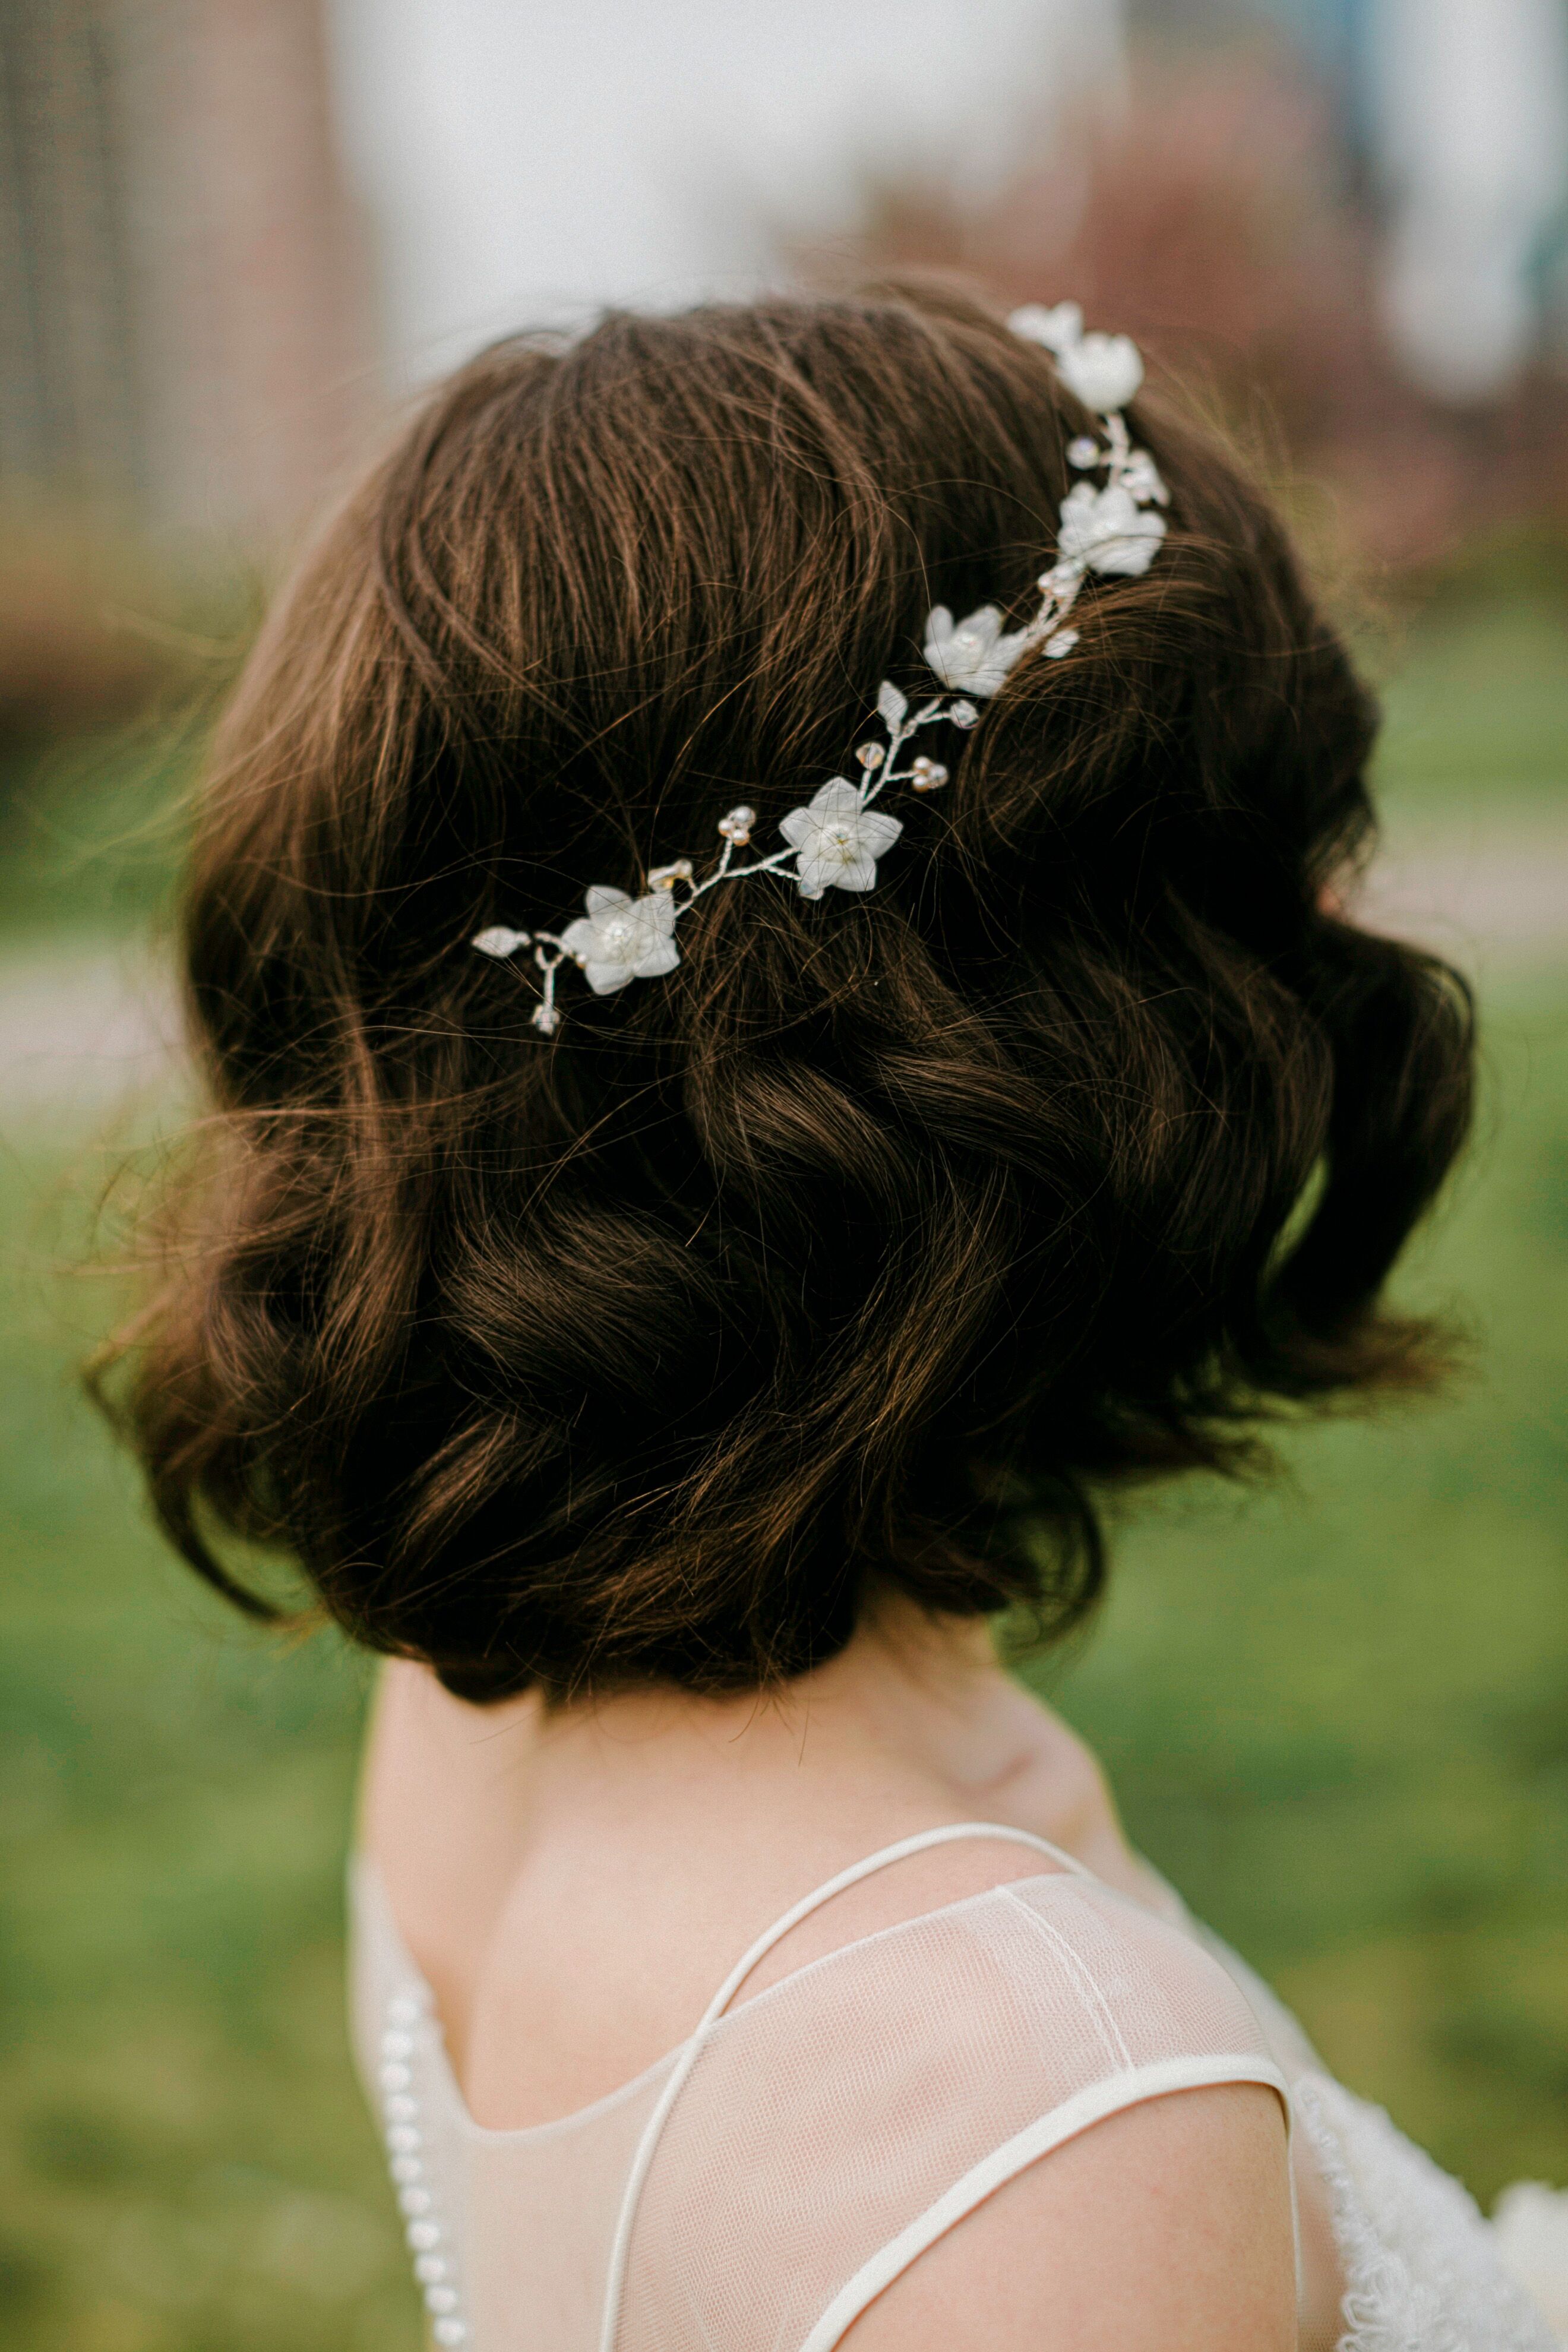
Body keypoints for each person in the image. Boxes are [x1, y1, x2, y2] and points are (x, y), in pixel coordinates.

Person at [98, 285, 1564, 2349]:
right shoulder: (1036, 2123)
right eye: (1253, 858)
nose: (1334, 932)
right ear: (1032, 1039)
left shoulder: (473, 1727)